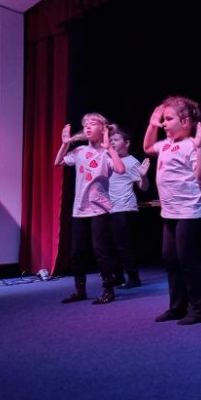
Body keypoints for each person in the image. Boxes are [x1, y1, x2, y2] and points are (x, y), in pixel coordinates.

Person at [144, 96, 201, 324]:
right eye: (163, 119)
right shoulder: (165, 144)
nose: (164, 123)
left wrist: (199, 149)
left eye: (168, 119)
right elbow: (146, 147)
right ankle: (177, 307)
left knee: (188, 260)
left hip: (190, 212)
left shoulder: (193, 146)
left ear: (185, 122)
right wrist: (152, 124)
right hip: (170, 213)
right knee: (170, 259)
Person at [54, 112, 125, 304]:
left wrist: (109, 148)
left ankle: (108, 290)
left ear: (103, 129)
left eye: (93, 123)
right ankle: (80, 290)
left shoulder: (106, 153)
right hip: (79, 208)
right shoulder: (79, 152)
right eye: (85, 124)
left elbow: (120, 169)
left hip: (99, 208)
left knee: (100, 249)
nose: (87, 127)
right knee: (77, 250)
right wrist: (65, 143)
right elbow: (58, 162)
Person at [107, 124, 150, 289]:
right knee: (111, 244)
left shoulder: (132, 162)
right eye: (111, 140)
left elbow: (143, 187)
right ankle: (117, 276)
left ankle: (133, 277)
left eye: (116, 140)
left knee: (124, 244)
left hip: (125, 208)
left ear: (127, 143)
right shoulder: (110, 160)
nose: (113, 143)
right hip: (109, 208)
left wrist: (144, 177)